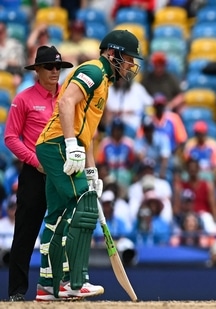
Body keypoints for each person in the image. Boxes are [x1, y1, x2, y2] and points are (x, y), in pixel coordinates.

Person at [34, 29, 142, 301]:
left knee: (58, 214)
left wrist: (91, 171)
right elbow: (67, 102)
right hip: (58, 143)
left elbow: (88, 133)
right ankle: (74, 282)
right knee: (85, 205)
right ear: (113, 53)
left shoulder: (104, 81)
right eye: (128, 59)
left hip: (60, 144)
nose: (130, 66)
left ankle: (49, 285)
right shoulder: (94, 71)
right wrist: (70, 145)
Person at [4, 45, 74, 302]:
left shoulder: (68, 97)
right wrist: (36, 161)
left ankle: (59, 287)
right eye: (50, 67)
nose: (55, 71)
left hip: (62, 172)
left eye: (58, 67)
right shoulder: (23, 99)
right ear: (37, 70)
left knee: (61, 232)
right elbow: (11, 138)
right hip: (35, 174)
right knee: (25, 232)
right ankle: (17, 292)